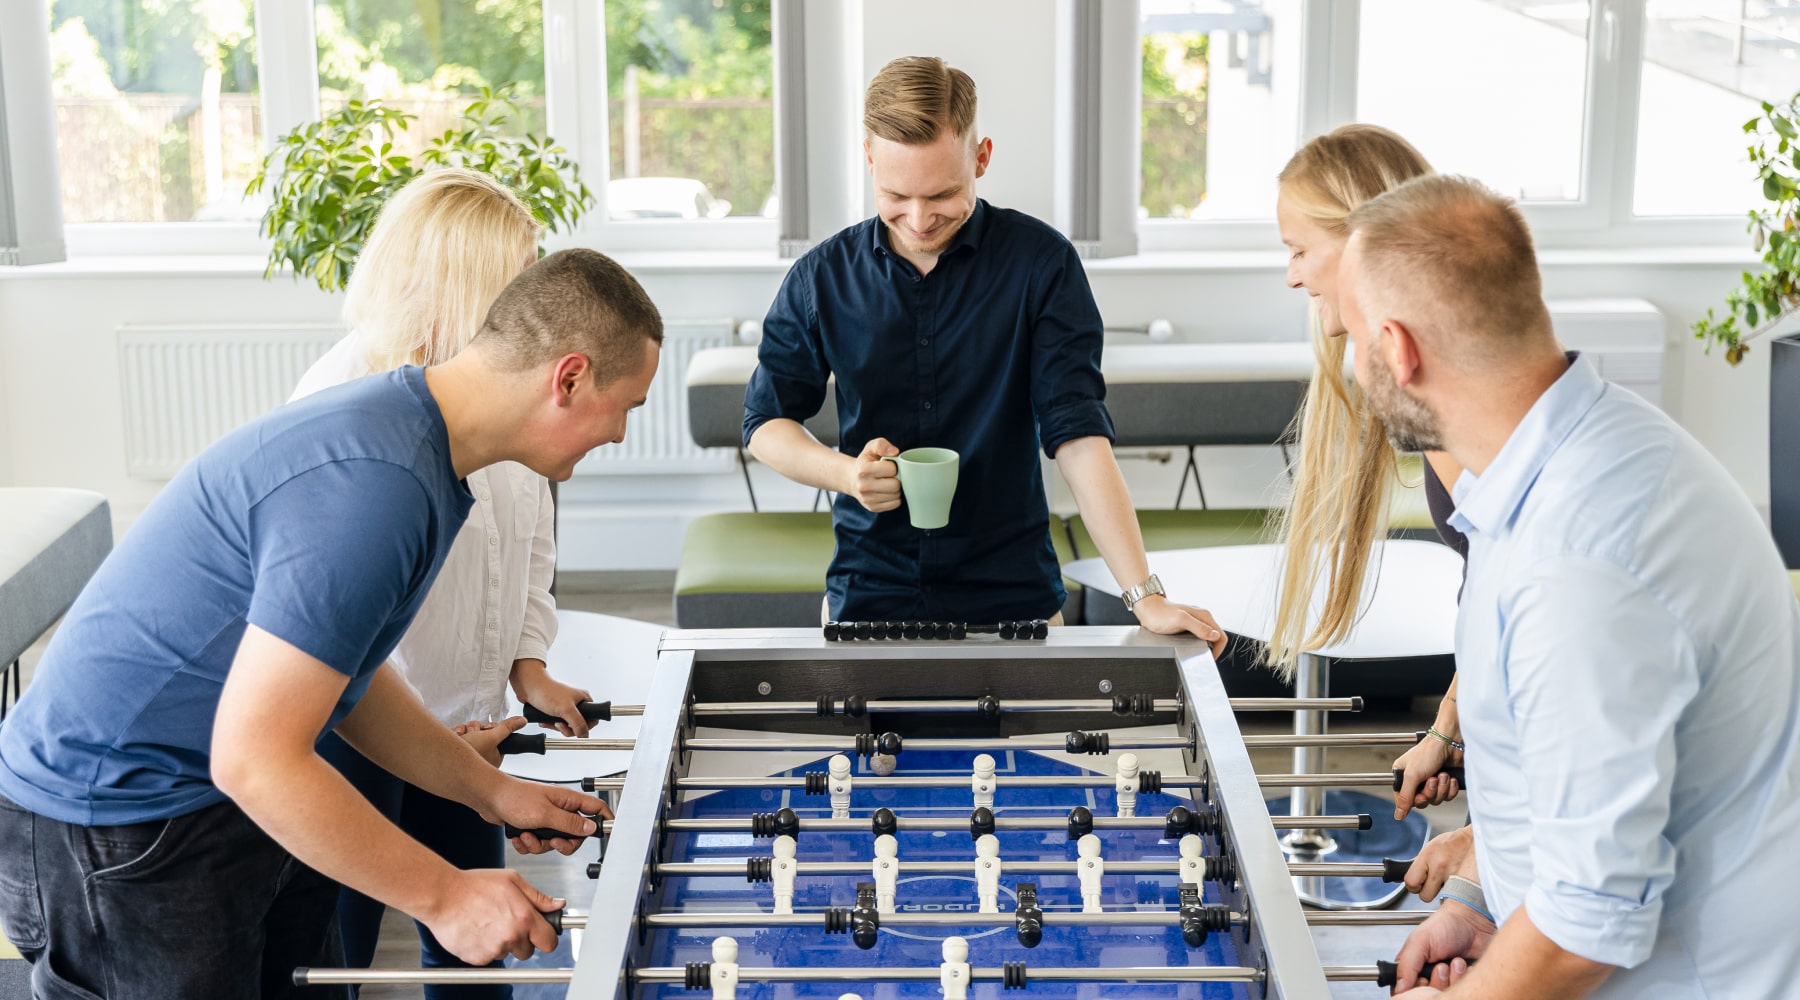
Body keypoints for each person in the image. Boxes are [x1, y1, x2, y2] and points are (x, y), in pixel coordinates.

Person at [0, 247, 662, 998]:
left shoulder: (418, 445)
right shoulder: (376, 486)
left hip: (216, 793)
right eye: (629, 407)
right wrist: (444, 896)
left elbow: (353, 671)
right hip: (118, 817)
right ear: (569, 378)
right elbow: (254, 758)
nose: (620, 436)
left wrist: (489, 792)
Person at [1335, 174, 1800, 997]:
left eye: (1349, 332)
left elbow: (1588, 922)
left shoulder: (1582, 560)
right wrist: (1482, 900)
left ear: (1399, 350)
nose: (1345, 356)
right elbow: (1570, 780)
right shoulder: (1566, 461)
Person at [743, 56, 1222, 649]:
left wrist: (1144, 597)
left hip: (1014, 597)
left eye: (942, 194)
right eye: (896, 194)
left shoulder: (1042, 265)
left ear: (982, 158)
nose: (919, 219)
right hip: (869, 594)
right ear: (869, 157)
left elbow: (1078, 436)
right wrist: (847, 475)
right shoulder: (820, 278)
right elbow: (765, 423)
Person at [289, 168, 598, 998]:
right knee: (338, 947)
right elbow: (333, 628)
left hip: (462, 716)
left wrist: (528, 663)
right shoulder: (342, 403)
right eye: (519, 281)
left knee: (478, 942)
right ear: (463, 287)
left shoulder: (504, 390)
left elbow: (531, 540)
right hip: (356, 725)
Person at [1270, 124, 1472, 888]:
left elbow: (1513, 595)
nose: (1292, 276)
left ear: (1360, 244)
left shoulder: (1435, 385)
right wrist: (1446, 733)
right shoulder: (1422, 372)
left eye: (1298, 250)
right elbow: (1494, 589)